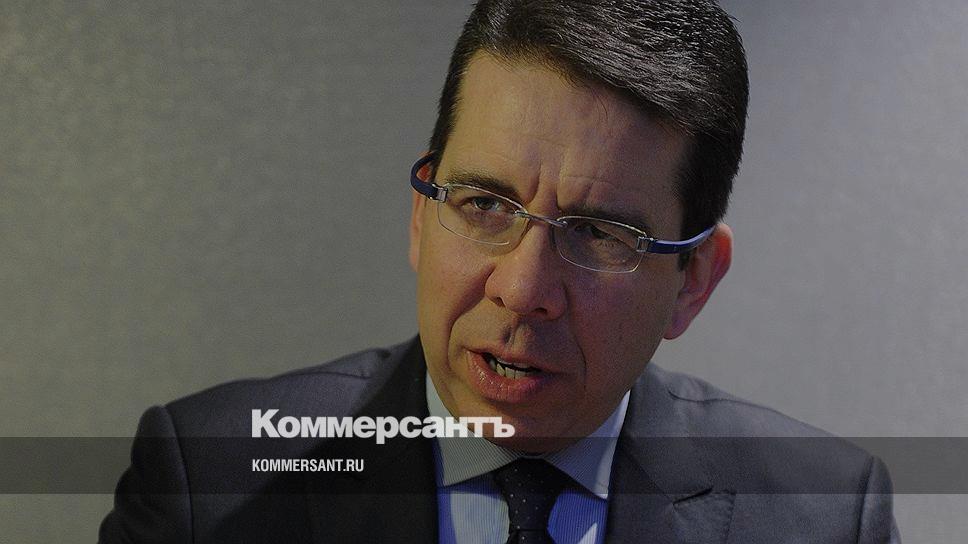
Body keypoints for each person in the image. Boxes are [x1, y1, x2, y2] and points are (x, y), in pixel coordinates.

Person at [100, 1, 900, 542]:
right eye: (485, 204)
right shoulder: (209, 481)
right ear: (421, 215)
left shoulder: (825, 515)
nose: (522, 289)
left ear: (693, 280)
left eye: (598, 233)